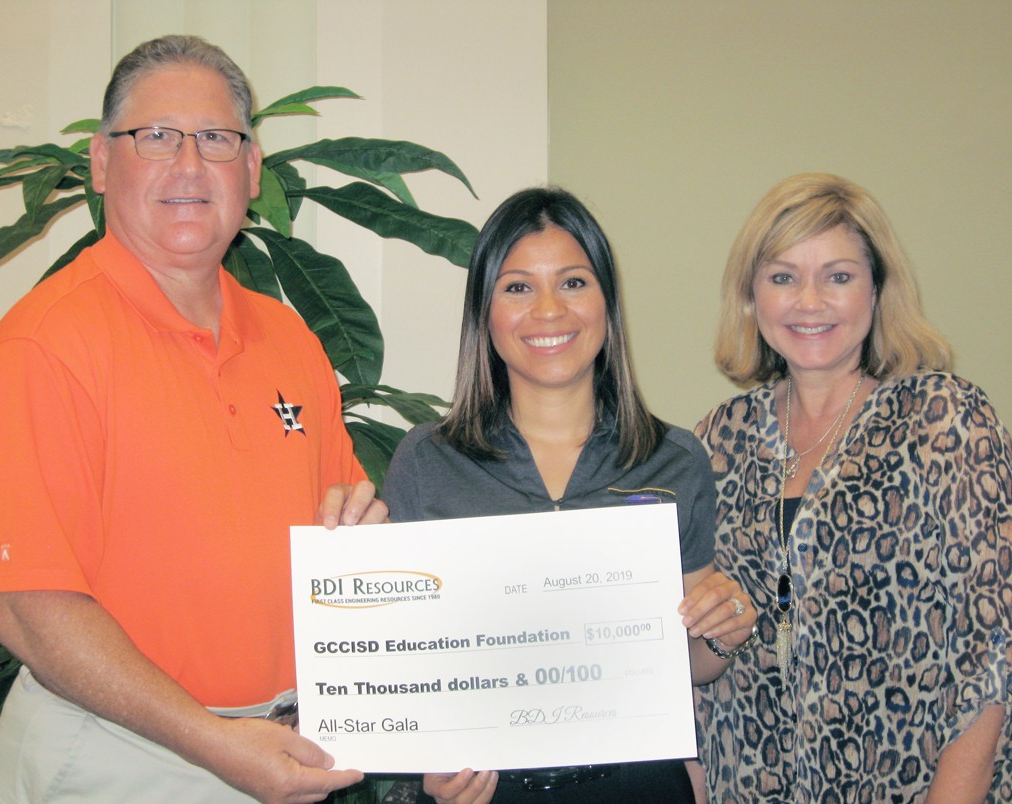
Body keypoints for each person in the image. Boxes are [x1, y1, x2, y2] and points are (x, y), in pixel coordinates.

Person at [0, 35, 386, 803]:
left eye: (216, 139)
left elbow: (343, 519)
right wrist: (212, 743)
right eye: (155, 136)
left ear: (251, 169)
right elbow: (26, 609)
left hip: (280, 745)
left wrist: (359, 525)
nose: (188, 164)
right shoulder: (45, 344)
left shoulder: (289, 336)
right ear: (102, 163)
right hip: (116, 757)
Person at [382, 187, 758, 804]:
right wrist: (431, 764)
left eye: (575, 282)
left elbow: (687, 665)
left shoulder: (676, 459)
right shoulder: (426, 461)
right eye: (518, 287)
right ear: (485, 312)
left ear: (607, 303)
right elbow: (407, 665)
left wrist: (722, 630)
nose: (550, 310)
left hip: (637, 789)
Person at [694, 173, 1012, 803]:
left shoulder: (945, 421)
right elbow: (697, 670)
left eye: (837, 276)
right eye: (783, 277)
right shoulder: (716, 441)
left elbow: (992, 657)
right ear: (752, 297)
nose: (808, 302)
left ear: (877, 290)